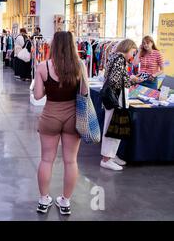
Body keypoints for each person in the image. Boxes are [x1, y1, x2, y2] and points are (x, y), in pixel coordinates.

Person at [34, 31, 88, 216]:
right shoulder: (80, 66)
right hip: (73, 117)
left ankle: (43, 200)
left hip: (50, 116)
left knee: (46, 159)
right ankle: (65, 202)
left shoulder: (43, 67)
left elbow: (38, 96)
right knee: (71, 161)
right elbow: (84, 92)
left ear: (54, 45)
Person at [100, 39, 139, 171]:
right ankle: (106, 159)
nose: (132, 56)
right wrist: (130, 79)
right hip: (116, 99)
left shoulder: (113, 57)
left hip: (112, 99)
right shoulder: (120, 60)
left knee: (112, 127)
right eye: (132, 52)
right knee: (113, 128)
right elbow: (115, 81)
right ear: (127, 49)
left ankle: (110, 156)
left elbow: (111, 78)